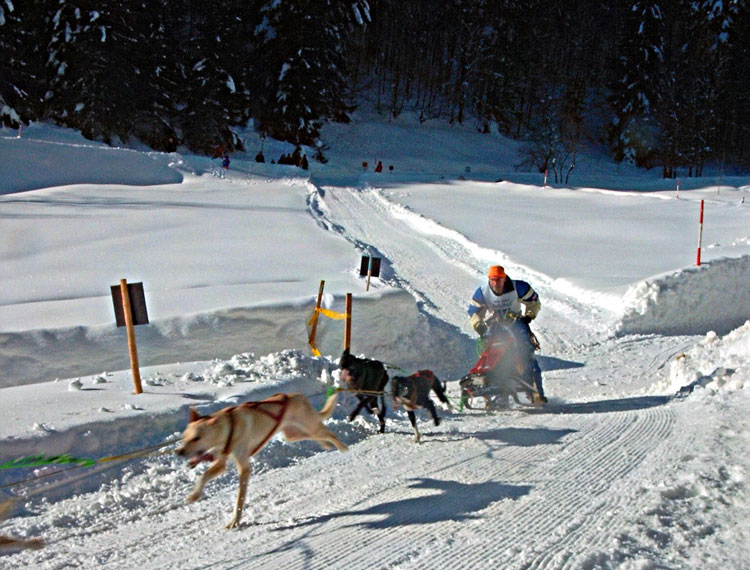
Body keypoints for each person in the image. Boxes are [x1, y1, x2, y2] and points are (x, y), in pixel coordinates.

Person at [468, 265, 546, 403]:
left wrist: (529, 316)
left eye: (498, 280)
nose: (495, 284)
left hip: (516, 322)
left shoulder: (519, 287)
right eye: (492, 280)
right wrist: (478, 324)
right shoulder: (483, 292)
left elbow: (534, 302)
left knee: (525, 350)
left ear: (504, 279)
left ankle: (534, 391)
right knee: (490, 352)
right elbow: (474, 312)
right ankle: (494, 392)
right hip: (495, 324)